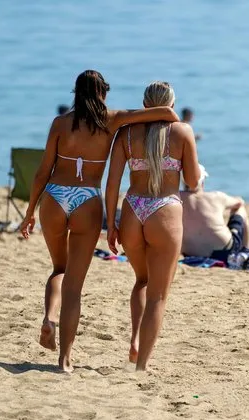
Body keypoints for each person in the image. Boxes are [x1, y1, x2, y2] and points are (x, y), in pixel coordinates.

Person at [19, 71, 180, 372]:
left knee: (58, 269)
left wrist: (29, 212)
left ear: (75, 94)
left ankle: (49, 318)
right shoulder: (113, 119)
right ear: (103, 92)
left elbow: (42, 172)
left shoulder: (60, 123)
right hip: (86, 202)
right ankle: (65, 359)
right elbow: (168, 113)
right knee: (74, 286)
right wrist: (148, 113)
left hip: (54, 197)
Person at [105, 81, 200, 371]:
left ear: (145, 104)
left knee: (141, 282)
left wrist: (111, 224)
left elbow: (112, 184)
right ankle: (142, 366)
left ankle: (134, 340)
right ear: (170, 104)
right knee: (158, 294)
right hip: (164, 211)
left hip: (133, 208)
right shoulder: (182, 131)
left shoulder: (127, 134)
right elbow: (194, 182)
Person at [181, 165, 249, 261]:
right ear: (203, 182)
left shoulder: (175, 198)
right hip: (224, 251)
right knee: (240, 208)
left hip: (190, 254)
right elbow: (239, 202)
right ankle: (245, 250)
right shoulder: (216, 197)